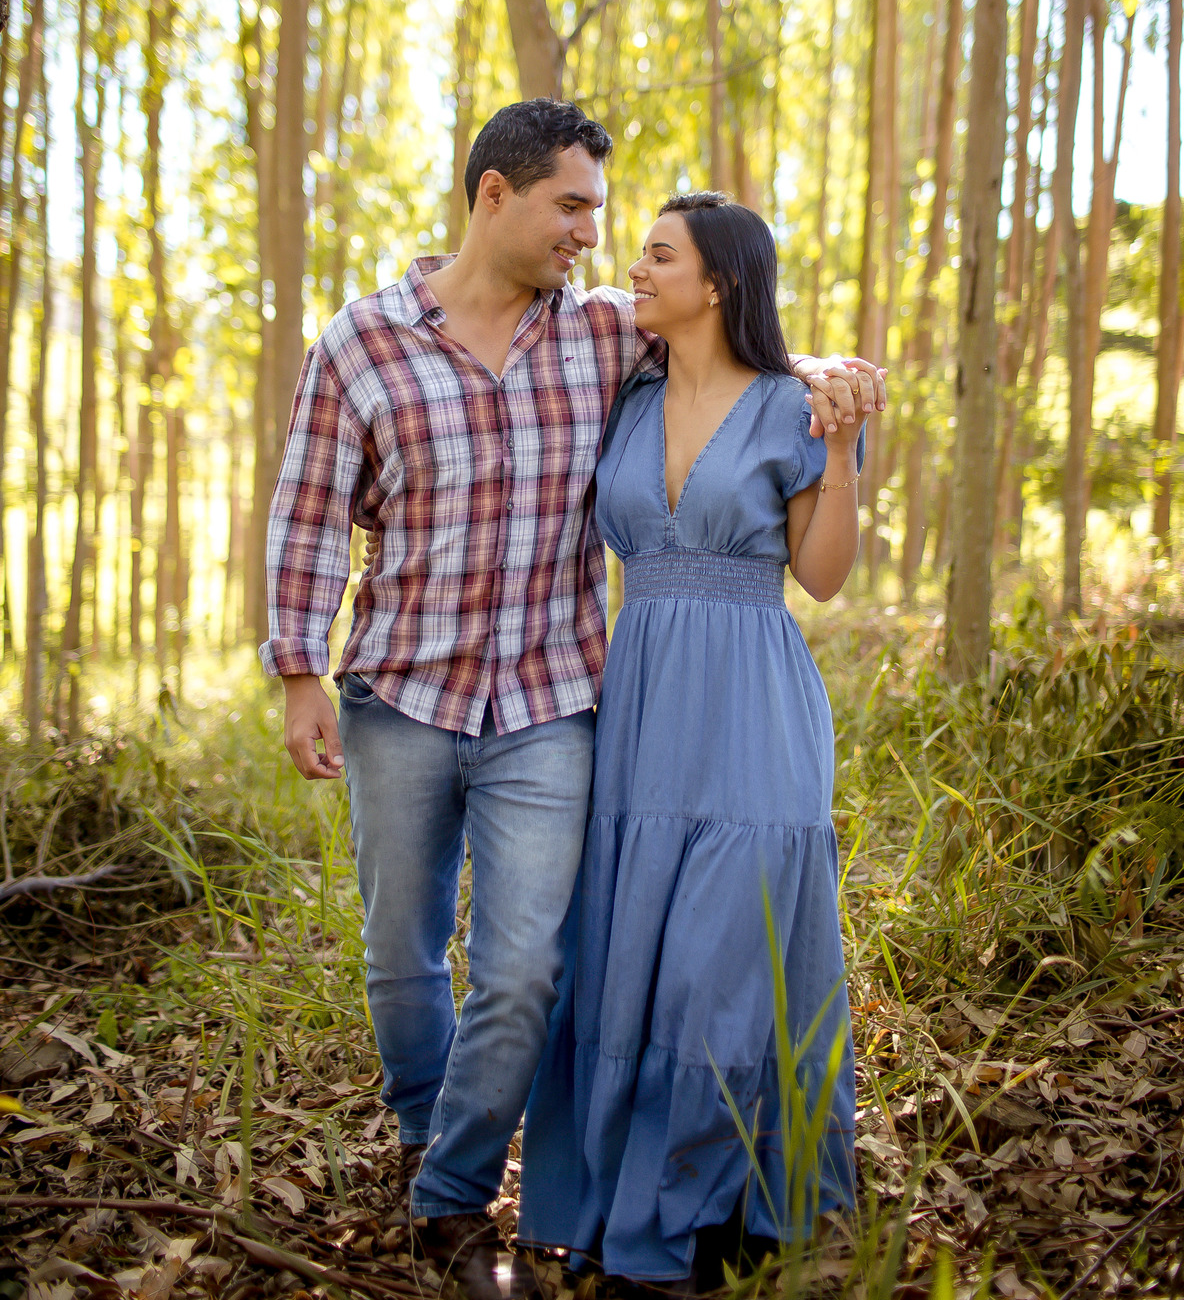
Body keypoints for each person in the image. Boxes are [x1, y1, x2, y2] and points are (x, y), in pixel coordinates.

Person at [260, 101, 884, 1300]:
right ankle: (427, 1134)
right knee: (402, 956)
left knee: (530, 970)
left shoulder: (598, 334)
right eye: (575, 206)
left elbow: (741, 358)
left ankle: (457, 1196)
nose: (594, 238)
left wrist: (820, 376)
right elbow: (309, 513)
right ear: (496, 194)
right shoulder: (362, 344)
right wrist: (299, 674)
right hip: (408, 691)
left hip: (554, 700)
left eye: (608, 216)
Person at [518, 192, 870, 1292]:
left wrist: (843, 445)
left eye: (659, 255)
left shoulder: (794, 407)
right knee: (636, 958)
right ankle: (637, 1203)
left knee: (723, 963)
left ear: (718, 283)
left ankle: (705, 1212)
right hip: (641, 711)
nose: (635, 266)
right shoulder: (623, 394)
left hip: (755, 706)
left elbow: (822, 577)